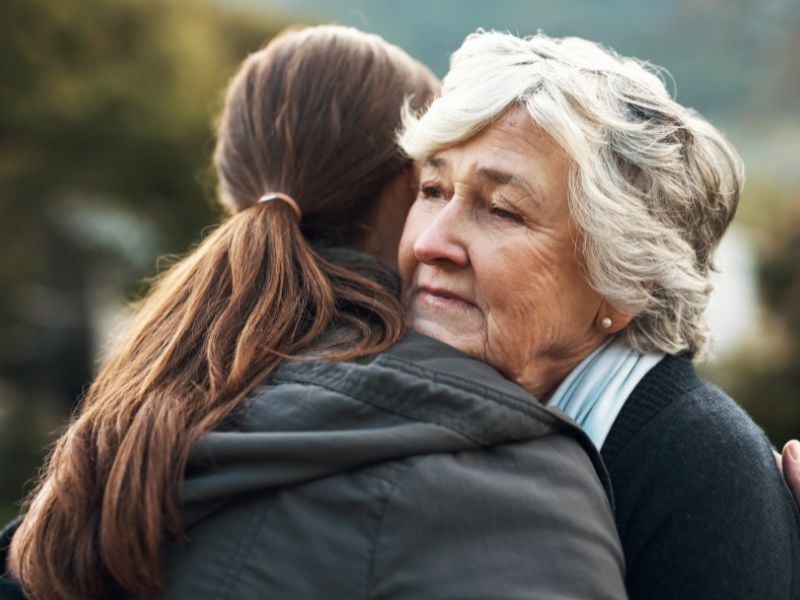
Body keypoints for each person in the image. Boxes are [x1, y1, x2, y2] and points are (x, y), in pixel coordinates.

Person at [4, 26, 627, 600]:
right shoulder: (502, 473)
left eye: (499, 209)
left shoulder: (138, 411)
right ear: (401, 194)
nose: (438, 236)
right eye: (432, 190)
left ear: (234, 194)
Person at [396, 31, 800, 600]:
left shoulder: (697, 474)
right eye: (433, 189)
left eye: (503, 210)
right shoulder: (422, 402)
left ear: (625, 279)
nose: (429, 243)